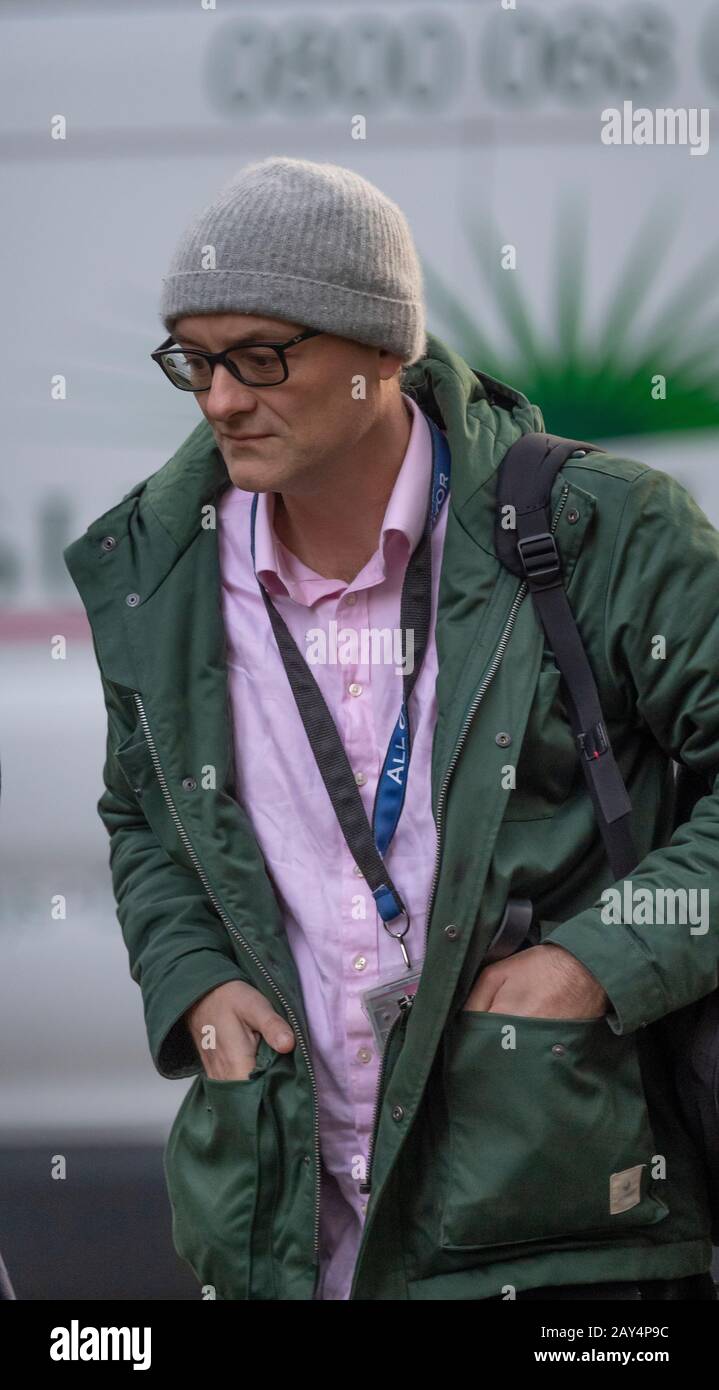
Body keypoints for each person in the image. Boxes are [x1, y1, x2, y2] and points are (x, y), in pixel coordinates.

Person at [64, 156, 719, 1301]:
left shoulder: (600, 531)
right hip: (279, 1240)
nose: (220, 398)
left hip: (560, 1234)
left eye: (262, 355)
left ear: (382, 350)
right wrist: (194, 984)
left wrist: (592, 963)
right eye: (194, 360)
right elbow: (143, 813)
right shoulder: (156, 574)